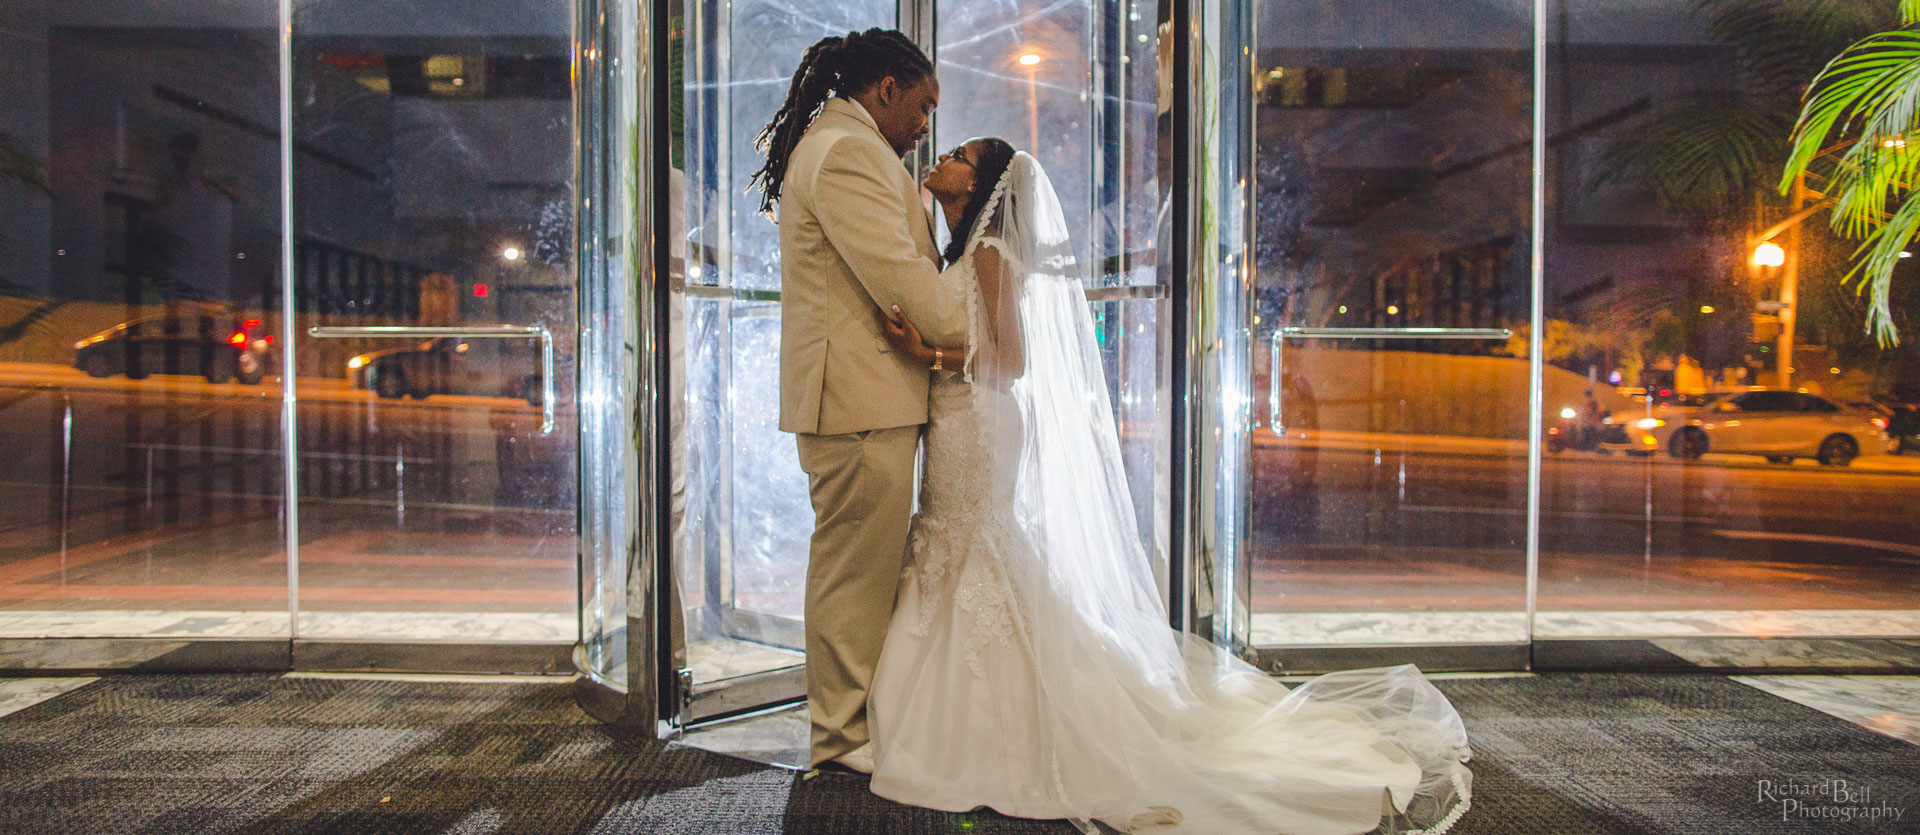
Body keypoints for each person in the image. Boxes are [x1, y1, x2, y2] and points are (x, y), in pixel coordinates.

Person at [870, 139, 1475, 834]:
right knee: (963, 539)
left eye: (956, 155)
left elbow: (1010, 359)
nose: (940, 156)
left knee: (978, 539)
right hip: (960, 415)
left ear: (980, 184)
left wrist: (928, 353)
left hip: (979, 416)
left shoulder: (987, 253)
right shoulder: (960, 246)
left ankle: (997, 721)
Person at [750, 28, 967, 775]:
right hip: (858, 401)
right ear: (886, 90)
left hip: (862, 399)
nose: (927, 124)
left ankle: (853, 727)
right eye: (924, 104)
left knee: (861, 572)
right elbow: (902, 279)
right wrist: (976, 330)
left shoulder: (845, 145)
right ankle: (841, 740)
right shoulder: (848, 153)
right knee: (852, 576)